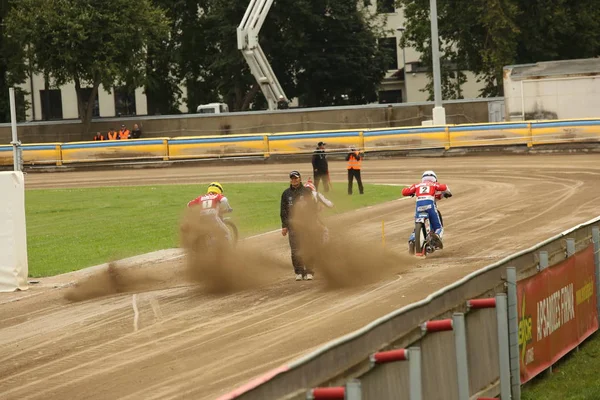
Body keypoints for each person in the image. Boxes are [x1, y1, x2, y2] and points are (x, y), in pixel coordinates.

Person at [280, 170, 315, 281]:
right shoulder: (286, 194)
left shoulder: (306, 192)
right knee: (295, 250)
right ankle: (299, 272)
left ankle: (309, 271)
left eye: (296, 178)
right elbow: (283, 210)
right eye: (292, 178)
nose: (294, 180)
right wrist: (284, 226)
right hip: (293, 226)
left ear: (300, 179)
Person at [402, 170, 450, 250]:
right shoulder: (434, 184)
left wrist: (411, 192)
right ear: (434, 178)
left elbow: (404, 192)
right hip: (430, 206)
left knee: (415, 228)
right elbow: (444, 187)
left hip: (419, 207)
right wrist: (447, 192)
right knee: (439, 228)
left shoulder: (417, 185)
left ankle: (412, 239)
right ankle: (436, 237)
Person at [304, 177, 334, 243]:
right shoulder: (316, 194)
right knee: (325, 230)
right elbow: (328, 203)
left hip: (300, 219)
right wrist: (332, 205)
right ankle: (324, 247)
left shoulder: (298, 195)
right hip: (312, 218)